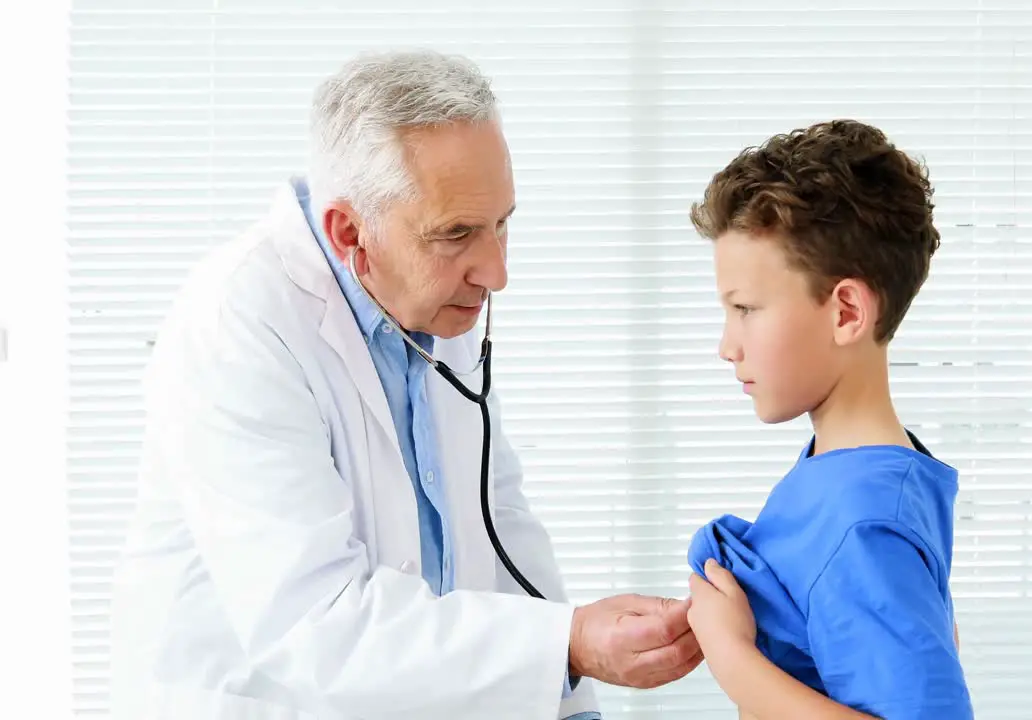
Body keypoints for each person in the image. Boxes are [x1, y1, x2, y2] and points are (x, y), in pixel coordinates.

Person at [108, 50, 701, 720]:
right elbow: (316, 629)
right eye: (457, 234)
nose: (495, 271)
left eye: (502, 223)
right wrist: (567, 645)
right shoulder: (240, 324)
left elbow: (497, 523)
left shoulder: (429, 296)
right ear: (350, 232)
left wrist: (573, 706)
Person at [681, 120, 973, 719]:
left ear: (845, 312)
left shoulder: (864, 521)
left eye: (745, 309)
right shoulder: (850, 471)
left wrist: (731, 654)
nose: (727, 345)